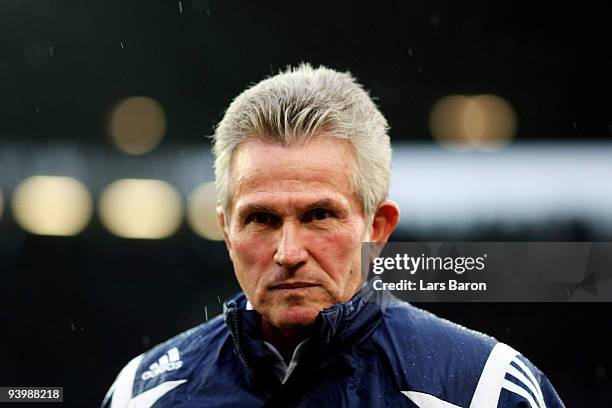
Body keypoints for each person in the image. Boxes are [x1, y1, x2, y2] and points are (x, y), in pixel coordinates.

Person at [101, 64, 565, 407]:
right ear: (226, 230)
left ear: (377, 228)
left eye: (319, 215)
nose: (288, 253)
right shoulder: (141, 394)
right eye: (261, 219)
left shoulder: (483, 388)